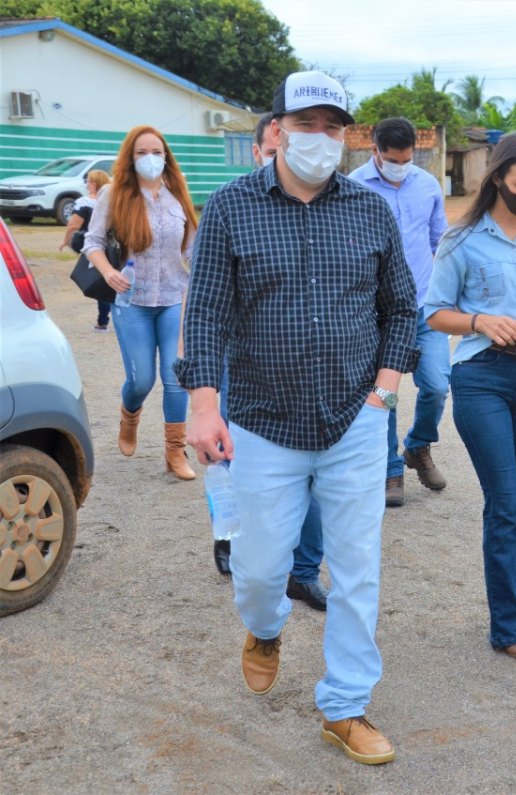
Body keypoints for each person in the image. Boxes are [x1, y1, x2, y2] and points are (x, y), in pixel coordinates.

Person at [175, 71, 418, 765]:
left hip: (354, 421)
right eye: (306, 124)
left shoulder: (370, 212)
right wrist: (203, 404)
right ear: (276, 129)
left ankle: (345, 705)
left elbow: (402, 308)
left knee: (357, 569)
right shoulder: (231, 208)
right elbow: (207, 312)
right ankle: (264, 627)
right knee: (259, 570)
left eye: (333, 126)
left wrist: (384, 391)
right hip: (261, 422)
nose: (320, 137)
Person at [425, 131, 516, 663]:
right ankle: (509, 623)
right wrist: (480, 321)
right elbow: (434, 312)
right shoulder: (461, 239)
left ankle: (500, 574)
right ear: (498, 179)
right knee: (505, 501)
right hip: (480, 377)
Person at [208, 111, 328, 617]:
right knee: (232, 459)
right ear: (262, 149)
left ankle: (304, 570)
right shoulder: (233, 207)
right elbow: (207, 304)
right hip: (244, 365)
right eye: (273, 151)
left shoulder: (325, 209)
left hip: (314, 379)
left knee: (314, 473)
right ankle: (231, 536)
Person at [84, 125, 198, 480]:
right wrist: (108, 272)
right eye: (142, 153)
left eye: (157, 152)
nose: (151, 158)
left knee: (175, 376)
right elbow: (92, 242)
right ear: (130, 159)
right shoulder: (114, 194)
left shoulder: (177, 194)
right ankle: (129, 415)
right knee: (142, 380)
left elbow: (193, 250)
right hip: (131, 301)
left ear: (166, 157)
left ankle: (175, 452)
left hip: (174, 298)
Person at [349, 117, 450, 507]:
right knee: (385, 391)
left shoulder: (427, 185)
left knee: (437, 385)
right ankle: (391, 468)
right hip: (378, 311)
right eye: (393, 160)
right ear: (374, 150)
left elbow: (440, 241)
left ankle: (418, 446)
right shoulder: (353, 187)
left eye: (407, 160)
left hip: (424, 306)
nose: (401, 167)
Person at [59, 169, 112, 332]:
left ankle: (103, 321)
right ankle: (109, 316)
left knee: (99, 281)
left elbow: (73, 225)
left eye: (88, 181)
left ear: (94, 184)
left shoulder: (85, 202)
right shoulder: (113, 201)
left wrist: (66, 241)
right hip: (113, 246)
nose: (86, 184)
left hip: (94, 247)